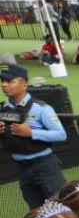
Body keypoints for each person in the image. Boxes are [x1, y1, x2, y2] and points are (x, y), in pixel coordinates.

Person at [1, 64, 66, 209]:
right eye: (2, 81)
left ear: (24, 84)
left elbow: (61, 134)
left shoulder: (40, 108)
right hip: (21, 167)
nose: (5, 85)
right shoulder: (1, 109)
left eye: (10, 81)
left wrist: (31, 133)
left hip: (45, 166)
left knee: (59, 208)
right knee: (36, 210)